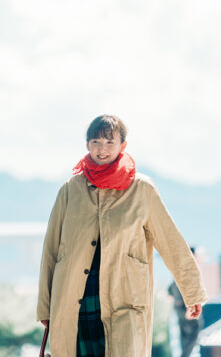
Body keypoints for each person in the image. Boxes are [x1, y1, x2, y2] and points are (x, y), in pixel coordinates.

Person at [37, 114, 207, 357]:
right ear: (87, 145)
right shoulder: (69, 190)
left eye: (109, 142)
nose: (102, 149)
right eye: (96, 142)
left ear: (122, 146)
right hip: (75, 301)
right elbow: (51, 250)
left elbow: (171, 241)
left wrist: (192, 292)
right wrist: (46, 307)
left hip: (124, 300)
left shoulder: (142, 189)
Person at [168, 252, 203, 357]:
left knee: (185, 336)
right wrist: (189, 308)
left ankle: (185, 355)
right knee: (195, 330)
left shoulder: (178, 272)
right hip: (185, 307)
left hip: (180, 307)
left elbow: (169, 293)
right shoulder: (188, 272)